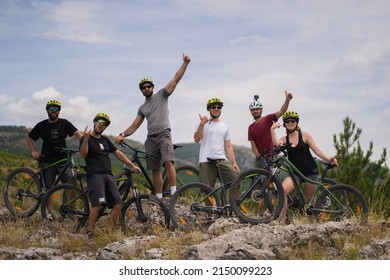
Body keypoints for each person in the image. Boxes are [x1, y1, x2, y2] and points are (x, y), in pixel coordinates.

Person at [115, 53, 191, 198]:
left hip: (164, 134)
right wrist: (122, 134)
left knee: (168, 162)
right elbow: (134, 126)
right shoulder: (142, 107)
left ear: (153, 87)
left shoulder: (162, 95)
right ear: (141, 90)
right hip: (151, 139)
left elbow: (176, 79)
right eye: (144, 87)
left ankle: (174, 193)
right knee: (155, 169)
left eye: (149, 86)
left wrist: (185, 63)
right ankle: (159, 197)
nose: (147, 88)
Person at [79, 113, 141, 238]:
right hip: (95, 175)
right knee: (98, 204)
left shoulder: (105, 140)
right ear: (94, 122)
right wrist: (85, 139)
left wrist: (132, 165)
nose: (102, 124)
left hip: (108, 175)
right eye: (100, 121)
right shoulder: (86, 138)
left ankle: (108, 231)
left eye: (105, 124)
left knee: (117, 204)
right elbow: (83, 154)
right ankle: (90, 231)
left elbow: (118, 154)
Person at [270, 111, 338, 224]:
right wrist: (272, 130)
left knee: (310, 202)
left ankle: (313, 226)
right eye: (287, 121)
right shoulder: (284, 139)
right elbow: (277, 146)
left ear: (297, 122)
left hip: (310, 172)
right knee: (282, 191)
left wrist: (330, 159)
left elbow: (317, 150)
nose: (290, 123)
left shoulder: (305, 135)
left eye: (293, 121)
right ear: (284, 124)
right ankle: (282, 223)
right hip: (295, 173)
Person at [26, 99, 83, 217]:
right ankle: (49, 213)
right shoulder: (41, 125)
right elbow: (29, 138)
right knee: (49, 188)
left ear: (59, 111)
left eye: (57, 109)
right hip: (46, 161)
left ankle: (70, 210)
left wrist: (85, 143)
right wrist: (33, 151)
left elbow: (78, 134)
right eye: (52, 108)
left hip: (63, 160)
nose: (54, 111)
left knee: (72, 184)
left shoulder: (65, 123)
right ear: (47, 110)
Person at [194, 98, 240, 192]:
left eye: (218, 107)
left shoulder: (225, 126)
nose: (216, 109)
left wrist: (234, 162)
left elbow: (228, 146)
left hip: (221, 159)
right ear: (209, 109)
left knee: (236, 182)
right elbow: (196, 139)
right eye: (213, 107)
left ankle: (232, 206)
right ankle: (210, 208)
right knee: (207, 190)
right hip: (206, 160)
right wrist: (202, 124)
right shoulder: (203, 123)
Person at [248, 91, 293, 166]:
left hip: (272, 155)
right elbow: (253, 144)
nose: (255, 111)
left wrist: (287, 100)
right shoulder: (251, 127)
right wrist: (258, 157)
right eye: (253, 110)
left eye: (257, 109)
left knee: (272, 176)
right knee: (257, 177)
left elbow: (282, 111)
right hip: (260, 158)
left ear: (261, 110)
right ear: (250, 111)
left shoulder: (267, 119)